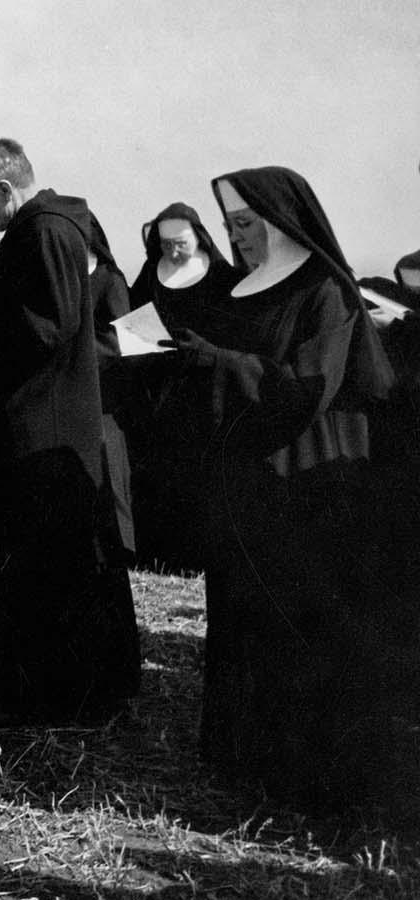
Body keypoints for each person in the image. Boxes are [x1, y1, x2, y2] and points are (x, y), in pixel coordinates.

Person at [175, 166, 410, 810]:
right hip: (250, 478)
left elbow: (304, 388)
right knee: (246, 611)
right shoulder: (244, 288)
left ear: (281, 222)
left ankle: (304, 771)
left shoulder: (324, 291)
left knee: (299, 617)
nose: (235, 236)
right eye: (227, 225)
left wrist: (213, 361)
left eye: (245, 224)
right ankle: (244, 753)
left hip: (306, 476)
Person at [0, 138, 140, 721]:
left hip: (42, 424)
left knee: (49, 566)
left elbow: (49, 326)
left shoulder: (44, 231)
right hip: (41, 422)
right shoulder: (46, 228)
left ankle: (56, 693)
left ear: (6, 189)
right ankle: (41, 685)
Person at [125, 203, 240, 571]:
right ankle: (163, 555)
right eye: (165, 244)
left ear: (199, 236)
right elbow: (133, 316)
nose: (173, 251)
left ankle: (198, 556)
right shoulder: (151, 272)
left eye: (180, 243)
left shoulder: (222, 276)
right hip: (159, 386)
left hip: (205, 388)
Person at [86, 214, 135, 562]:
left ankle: (124, 552)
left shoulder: (109, 278)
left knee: (112, 475)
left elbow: (122, 340)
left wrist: (79, 349)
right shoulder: (68, 277)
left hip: (105, 392)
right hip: (78, 390)